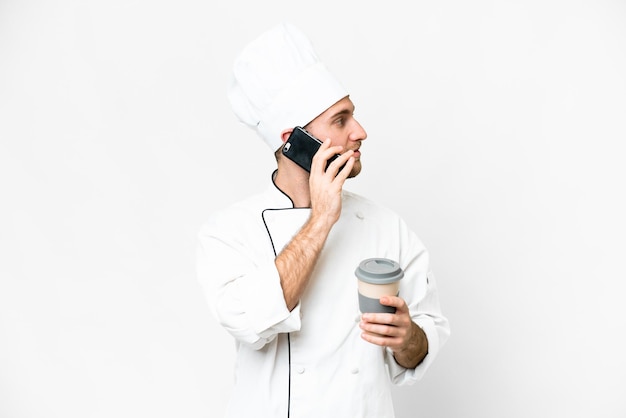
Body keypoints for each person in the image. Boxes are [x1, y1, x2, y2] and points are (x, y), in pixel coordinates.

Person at [196, 22, 450, 418]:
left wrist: (408, 339)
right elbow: (249, 323)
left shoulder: (386, 227)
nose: (361, 132)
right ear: (292, 140)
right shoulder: (229, 232)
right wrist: (321, 220)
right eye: (341, 120)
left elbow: (423, 339)